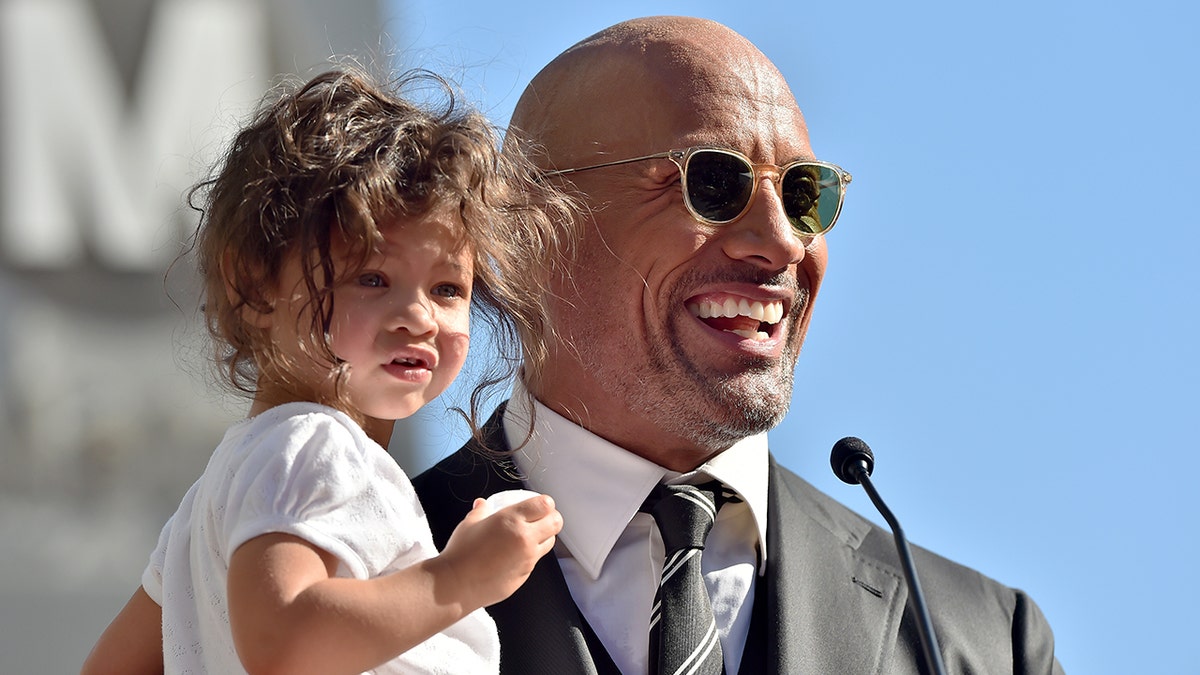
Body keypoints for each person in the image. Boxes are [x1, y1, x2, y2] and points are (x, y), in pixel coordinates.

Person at [413, 16, 1066, 674]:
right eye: (715, 184)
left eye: (805, 194)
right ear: (526, 233)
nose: (783, 241)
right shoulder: (359, 568)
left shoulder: (983, 643)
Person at [81, 66, 570, 674]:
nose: (418, 317)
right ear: (254, 287)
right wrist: (461, 578)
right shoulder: (314, 445)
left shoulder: (213, 498)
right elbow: (285, 644)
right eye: (372, 279)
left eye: (448, 288)